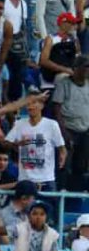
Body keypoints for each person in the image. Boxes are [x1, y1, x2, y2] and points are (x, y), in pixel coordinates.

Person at [4, 80, 66, 191]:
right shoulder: (19, 124)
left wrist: (62, 156)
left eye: (34, 103)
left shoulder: (52, 125)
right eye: (28, 104)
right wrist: (17, 144)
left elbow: (62, 148)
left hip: (46, 180)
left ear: (42, 105)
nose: (30, 107)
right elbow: (6, 143)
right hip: (25, 180)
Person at [52, 55, 89, 193]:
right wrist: (64, 132)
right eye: (84, 66)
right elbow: (57, 109)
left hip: (85, 129)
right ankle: (62, 191)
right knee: (64, 164)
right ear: (76, 68)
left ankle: (77, 193)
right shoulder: (64, 84)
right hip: (68, 128)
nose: (87, 70)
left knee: (81, 164)